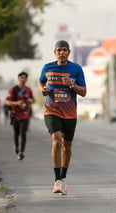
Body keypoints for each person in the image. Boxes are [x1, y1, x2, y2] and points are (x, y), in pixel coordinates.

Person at [38, 40, 87, 195]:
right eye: (59, 50)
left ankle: (63, 178)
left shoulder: (76, 69)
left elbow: (84, 92)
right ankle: (57, 180)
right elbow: (40, 82)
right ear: (55, 52)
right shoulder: (47, 67)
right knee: (56, 139)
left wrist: (71, 85)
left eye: (64, 50)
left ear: (69, 52)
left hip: (70, 113)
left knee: (67, 146)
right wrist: (43, 90)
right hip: (51, 110)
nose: (62, 52)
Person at [6, 72, 35, 160]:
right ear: (18, 79)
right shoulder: (13, 89)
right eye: (21, 77)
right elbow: (7, 102)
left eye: (25, 78)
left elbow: (33, 100)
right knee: (16, 133)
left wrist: (30, 101)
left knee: (23, 133)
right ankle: (16, 146)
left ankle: (21, 151)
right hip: (15, 114)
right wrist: (16, 103)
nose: (23, 79)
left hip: (25, 115)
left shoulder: (29, 90)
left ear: (26, 79)